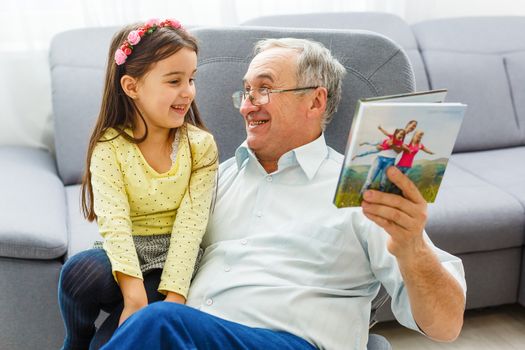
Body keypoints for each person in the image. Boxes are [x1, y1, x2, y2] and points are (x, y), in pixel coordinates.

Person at [101, 38, 466, 350]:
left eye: (264, 88)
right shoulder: (213, 179)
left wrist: (413, 247)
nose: (247, 104)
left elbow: (446, 326)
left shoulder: (363, 190)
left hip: (290, 340)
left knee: (160, 322)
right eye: (246, 91)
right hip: (195, 336)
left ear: (315, 102)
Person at [57, 19, 218, 350]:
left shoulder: (200, 146)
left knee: (119, 340)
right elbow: (114, 224)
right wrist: (133, 297)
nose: (187, 91)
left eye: (191, 79)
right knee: (79, 271)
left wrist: (174, 300)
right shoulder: (110, 146)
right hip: (125, 251)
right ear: (132, 87)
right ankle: (76, 339)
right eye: (174, 81)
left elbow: (192, 227)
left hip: (173, 257)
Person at [388, 130, 435, 195]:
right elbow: (401, 144)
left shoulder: (420, 145)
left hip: (408, 167)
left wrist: (432, 152)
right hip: (400, 165)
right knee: (394, 181)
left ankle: (397, 195)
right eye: (419, 134)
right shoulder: (408, 142)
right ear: (415, 134)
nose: (420, 136)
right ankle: (390, 193)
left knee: (402, 183)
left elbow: (426, 150)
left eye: (421, 135)